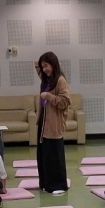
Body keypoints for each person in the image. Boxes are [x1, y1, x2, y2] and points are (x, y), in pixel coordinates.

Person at [35, 51, 70, 195]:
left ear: (54, 64)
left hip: (54, 124)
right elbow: (37, 66)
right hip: (43, 122)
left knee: (54, 155)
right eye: (42, 67)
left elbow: (65, 101)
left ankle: (58, 185)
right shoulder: (47, 79)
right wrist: (45, 65)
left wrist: (49, 96)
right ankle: (46, 183)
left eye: (46, 66)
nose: (44, 69)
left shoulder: (60, 80)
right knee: (44, 155)